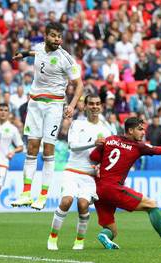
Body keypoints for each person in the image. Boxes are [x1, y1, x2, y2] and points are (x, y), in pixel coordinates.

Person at [11, 22, 83, 210]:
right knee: (32, 147)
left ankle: (43, 196)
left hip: (53, 105)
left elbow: (79, 84)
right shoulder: (39, 48)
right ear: (45, 36)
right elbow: (38, 53)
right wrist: (25, 54)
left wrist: (73, 105)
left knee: (48, 149)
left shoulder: (65, 58)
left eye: (59, 36)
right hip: (34, 104)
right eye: (53, 36)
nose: (57, 39)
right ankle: (26, 194)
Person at [89, 117, 161, 250]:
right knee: (151, 204)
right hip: (113, 188)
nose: (143, 132)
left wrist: (99, 164)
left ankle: (104, 235)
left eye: (144, 129)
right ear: (130, 130)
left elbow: (93, 157)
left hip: (98, 189)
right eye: (140, 129)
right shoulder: (138, 146)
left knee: (111, 230)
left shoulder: (110, 139)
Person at [47, 95, 113, 250]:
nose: (94, 106)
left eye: (97, 104)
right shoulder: (77, 124)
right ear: (85, 107)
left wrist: (101, 166)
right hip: (72, 170)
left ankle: (79, 240)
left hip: (89, 175)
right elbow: (73, 146)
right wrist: (93, 143)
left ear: (101, 106)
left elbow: (108, 154)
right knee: (66, 201)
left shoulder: (106, 129)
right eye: (91, 104)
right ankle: (52, 238)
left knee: (83, 205)